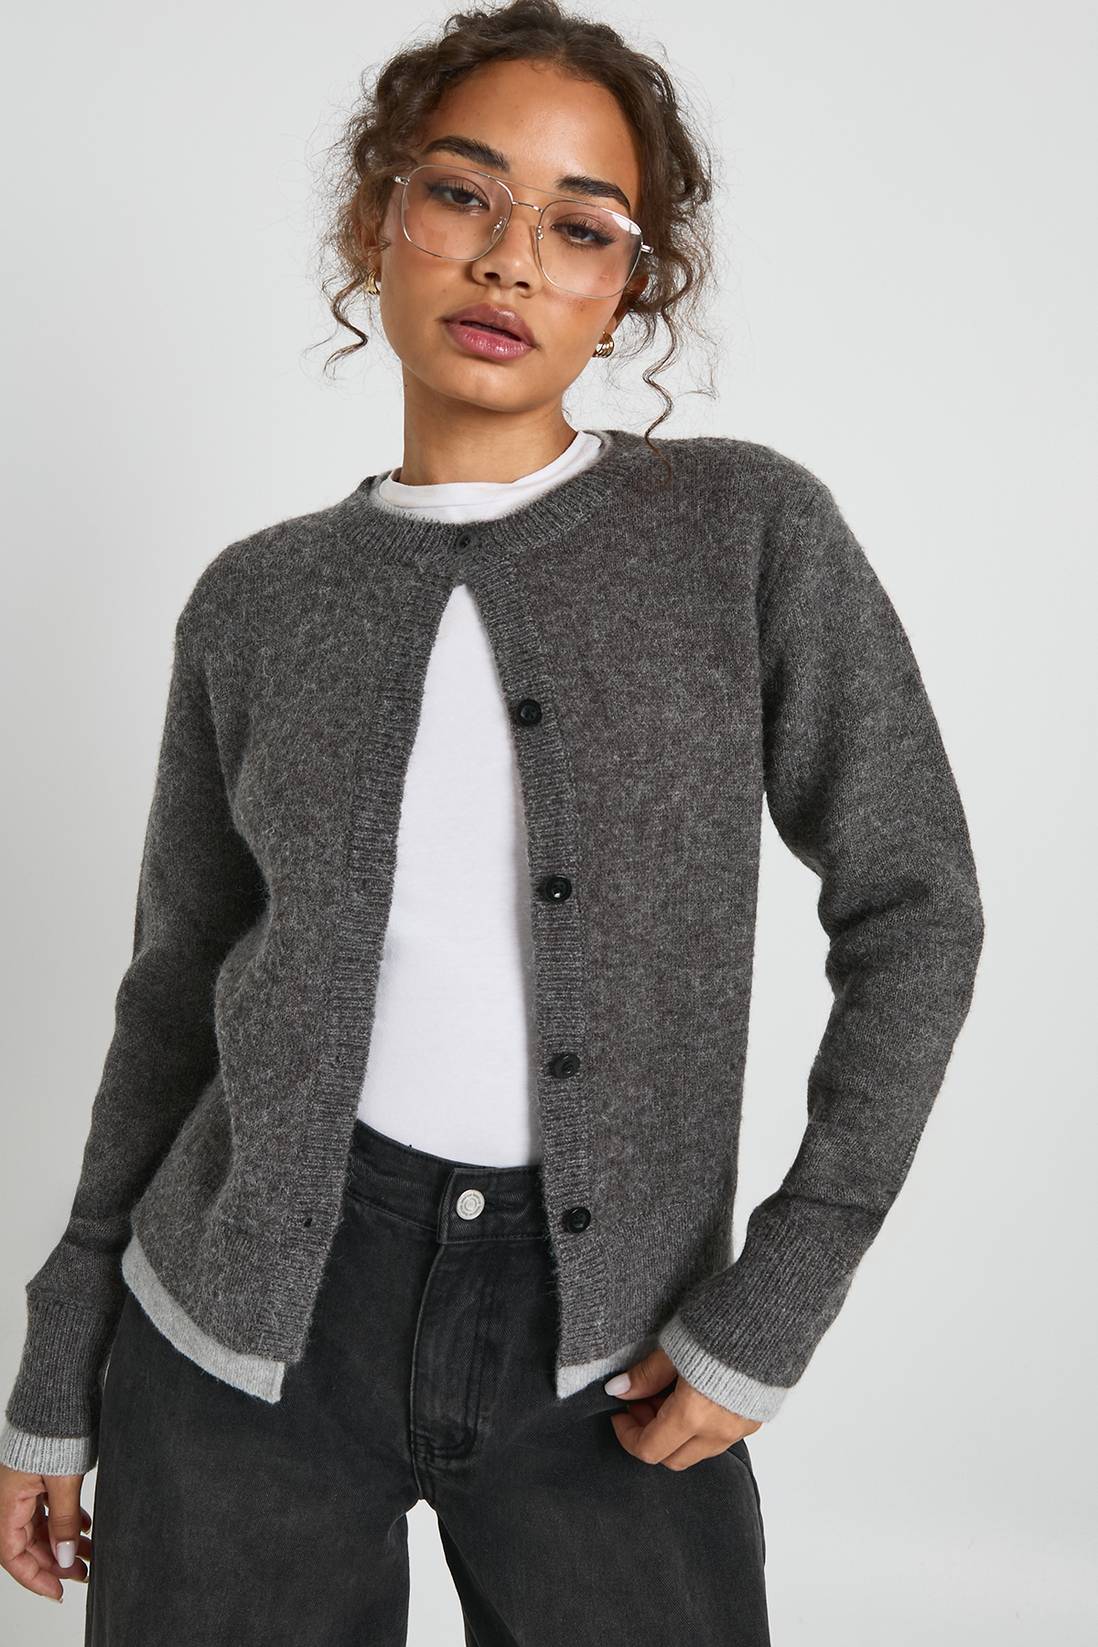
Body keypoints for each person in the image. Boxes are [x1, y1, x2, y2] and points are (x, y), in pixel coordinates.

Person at [0, 2, 984, 1641]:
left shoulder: (740, 531)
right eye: (461, 193)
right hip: (242, 1327)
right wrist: (58, 1358)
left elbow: (915, 905)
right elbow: (175, 995)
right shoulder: (257, 602)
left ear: (628, 288)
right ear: (373, 219)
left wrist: (783, 1286)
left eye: (579, 227)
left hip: (617, 1345)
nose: (510, 259)